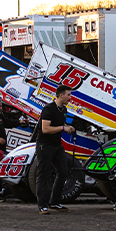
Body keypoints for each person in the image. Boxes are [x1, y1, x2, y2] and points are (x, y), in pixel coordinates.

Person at [35, 86, 76, 214]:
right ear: (60, 95)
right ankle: (42, 205)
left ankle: (55, 202)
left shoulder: (63, 109)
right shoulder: (48, 109)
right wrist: (63, 129)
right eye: (68, 95)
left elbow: (59, 125)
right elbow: (45, 129)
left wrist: (67, 127)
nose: (70, 98)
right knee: (44, 174)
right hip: (45, 145)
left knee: (63, 171)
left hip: (57, 145)